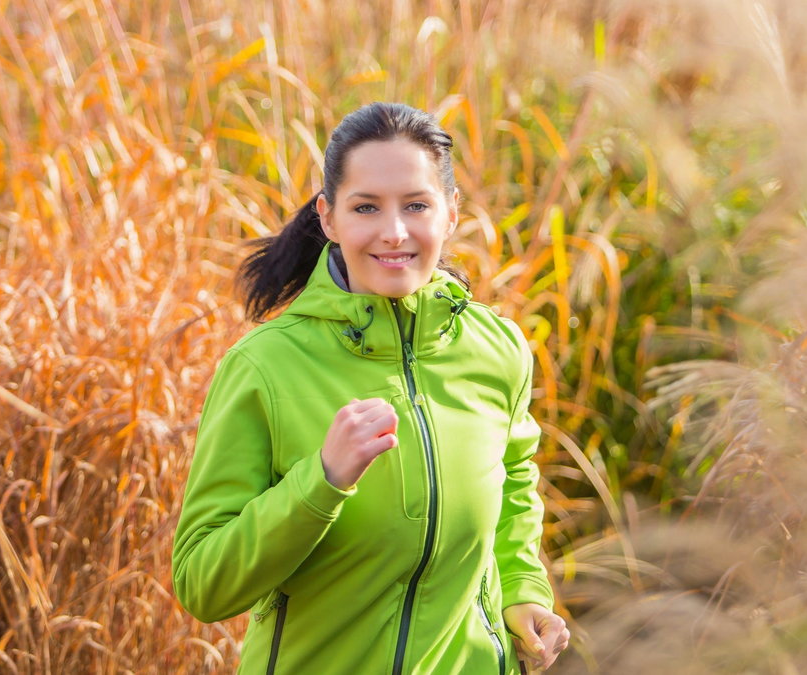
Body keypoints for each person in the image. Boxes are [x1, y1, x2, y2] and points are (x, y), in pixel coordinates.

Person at [171, 102, 570, 674]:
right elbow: (202, 584)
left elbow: (512, 486)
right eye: (366, 207)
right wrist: (322, 481)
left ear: (451, 213)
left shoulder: (496, 348)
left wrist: (523, 589)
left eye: (416, 205)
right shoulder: (264, 366)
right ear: (329, 218)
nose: (394, 232)